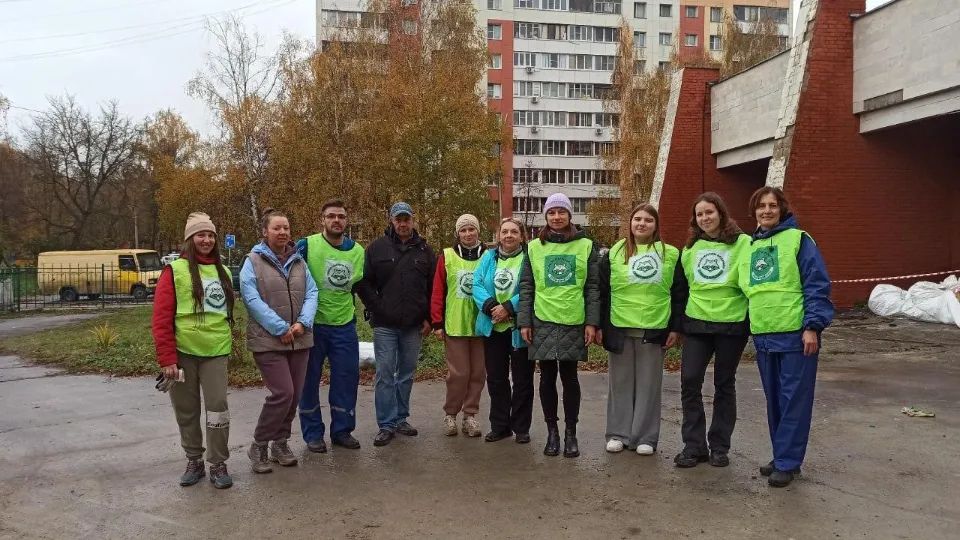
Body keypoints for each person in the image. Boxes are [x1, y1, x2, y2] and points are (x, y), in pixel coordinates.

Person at [740, 186, 833, 488]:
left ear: (782, 209)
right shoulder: (751, 246)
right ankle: (782, 454)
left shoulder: (799, 240)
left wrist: (812, 326)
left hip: (795, 334)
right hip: (764, 335)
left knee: (794, 399)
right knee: (775, 401)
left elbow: (815, 283)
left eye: (772, 206)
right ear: (754, 211)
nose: (766, 211)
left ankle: (788, 462)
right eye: (760, 206)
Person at [152, 212, 235, 489]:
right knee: (186, 410)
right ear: (190, 239)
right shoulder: (174, 271)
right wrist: (167, 359)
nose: (206, 239)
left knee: (217, 409)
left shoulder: (223, 271)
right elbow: (161, 317)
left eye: (210, 235)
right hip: (182, 353)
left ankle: (218, 463)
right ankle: (194, 460)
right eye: (201, 234)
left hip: (216, 351)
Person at [672, 193, 752, 469]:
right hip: (697, 323)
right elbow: (682, 289)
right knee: (690, 381)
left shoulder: (744, 243)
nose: (705, 218)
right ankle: (694, 446)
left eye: (709, 212)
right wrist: (678, 326)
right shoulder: (690, 248)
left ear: (721, 213)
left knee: (724, 384)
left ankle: (719, 446)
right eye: (699, 214)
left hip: (732, 324)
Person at [518, 193, 600, 458]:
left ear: (569, 215)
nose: (556, 217)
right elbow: (527, 286)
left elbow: (593, 287)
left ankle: (570, 434)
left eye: (561, 212)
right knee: (547, 377)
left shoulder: (586, 245)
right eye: (551, 213)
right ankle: (552, 433)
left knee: (570, 377)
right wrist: (524, 322)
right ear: (545, 216)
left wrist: (592, 322)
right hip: (542, 319)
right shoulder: (533, 247)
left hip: (573, 319)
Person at [599, 204, 682, 456]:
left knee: (649, 385)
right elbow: (603, 291)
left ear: (656, 225)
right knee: (620, 384)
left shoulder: (669, 254)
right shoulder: (615, 252)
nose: (642, 224)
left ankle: (645, 436)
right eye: (637, 219)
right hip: (620, 326)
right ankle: (618, 433)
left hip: (654, 328)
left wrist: (676, 328)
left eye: (648, 220)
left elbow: (679, 293)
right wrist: (601, 325)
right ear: (630, 223)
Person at [241, 209, 318, 474]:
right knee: (282, 393)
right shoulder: (252, 261)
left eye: (286, 227)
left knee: (294, 395)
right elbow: (251, 299)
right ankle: (259, 444)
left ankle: (280, 443)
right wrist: (280, 328)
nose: (283, 232)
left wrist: (302, 323)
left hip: (299, 338)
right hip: (269, 341)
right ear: (265, 231)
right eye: (277, 228)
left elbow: (312, 292)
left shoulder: (299, 261)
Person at [355, 202, 436, 447]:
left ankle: (401, 418)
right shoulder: (376, 249)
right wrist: (379, 308)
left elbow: (433, 288)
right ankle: (386, 424)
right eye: (398, 219)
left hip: (413, 325)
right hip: (385, 324)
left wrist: (430, 319)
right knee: (385, 374)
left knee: (407, 374)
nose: (403, 223)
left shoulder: (425, 251)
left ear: (413, 220)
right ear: (391, 220)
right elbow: (363, 284)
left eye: (407, 219)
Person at [296, 200, 366, 453]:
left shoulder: (358, 251)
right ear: (322, 220)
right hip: (312, 325)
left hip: (344, 325)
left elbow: (361, 286)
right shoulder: (306, 245)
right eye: (331, 216)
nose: (336, 220)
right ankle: (313, 433)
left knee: (346, 379)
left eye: (341, 216)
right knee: (308, 380)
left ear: (346, 221)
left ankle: (342, 430)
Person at [474, 218, 534, 444]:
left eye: (514, 232)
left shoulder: (529, 257)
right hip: (493, 327)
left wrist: (509, 307)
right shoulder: (488, 258)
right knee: (497, 379)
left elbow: (533, 287)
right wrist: (492, 307)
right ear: (498, 235)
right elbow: (477, 284)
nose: (509, 235)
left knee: (522, 380)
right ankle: (500, 426)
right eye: (505, 231)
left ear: (522, 236)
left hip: (520, 327)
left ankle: (521, 428)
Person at [431, 214, 487, 437]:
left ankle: (470, 416)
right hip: (455, 324)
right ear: (457, 234)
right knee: (459, 374)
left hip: (482, 324)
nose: (467, 234)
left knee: (477, 373)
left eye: (471, 229)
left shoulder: (489, 256)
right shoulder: (447, 257)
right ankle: (451, 414)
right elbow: (437, 291)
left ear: (478, 232)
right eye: (463, 230)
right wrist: (437, 322)